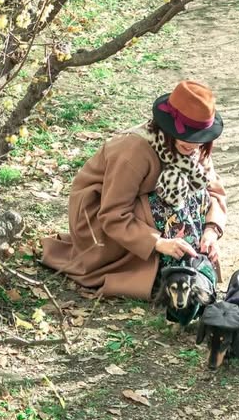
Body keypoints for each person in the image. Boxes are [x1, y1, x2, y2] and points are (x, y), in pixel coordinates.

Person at [41, 80, 228, 298]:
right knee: (166, 204)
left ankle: (189, 259)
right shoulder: (134, 151)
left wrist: (211, 231)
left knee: (196, 191)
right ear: (167, 127)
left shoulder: (195, 151)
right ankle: (168, 267)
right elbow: (112, 214)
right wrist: (158, 243)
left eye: (199, 138)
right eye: (187, 135)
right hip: (101, 222)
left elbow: (214, 192)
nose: (193, 144)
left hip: (142, 211)